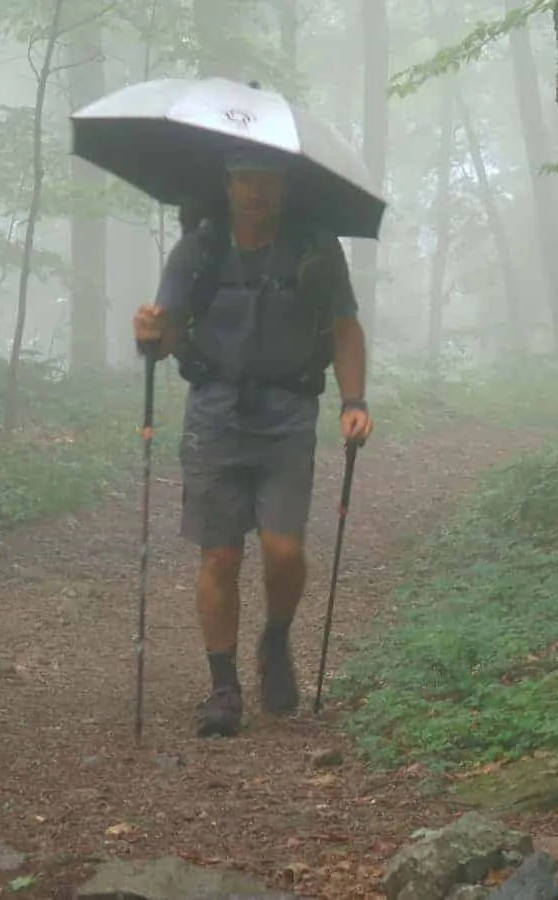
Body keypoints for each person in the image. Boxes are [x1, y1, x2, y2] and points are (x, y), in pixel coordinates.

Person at [131, 149, 374, 738]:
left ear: (285, 187)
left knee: (284, 551)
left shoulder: (316, 250)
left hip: (288, 414)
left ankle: (276, 637)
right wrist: (148, 335)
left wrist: (353, 402)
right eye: (245, 179)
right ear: (228, 183)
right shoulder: (199, 249)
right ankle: (223, 686)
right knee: (220, 555)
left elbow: (344, 329)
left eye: (267, 180)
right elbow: (164, 339)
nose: (256, 191)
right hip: (214, 413)